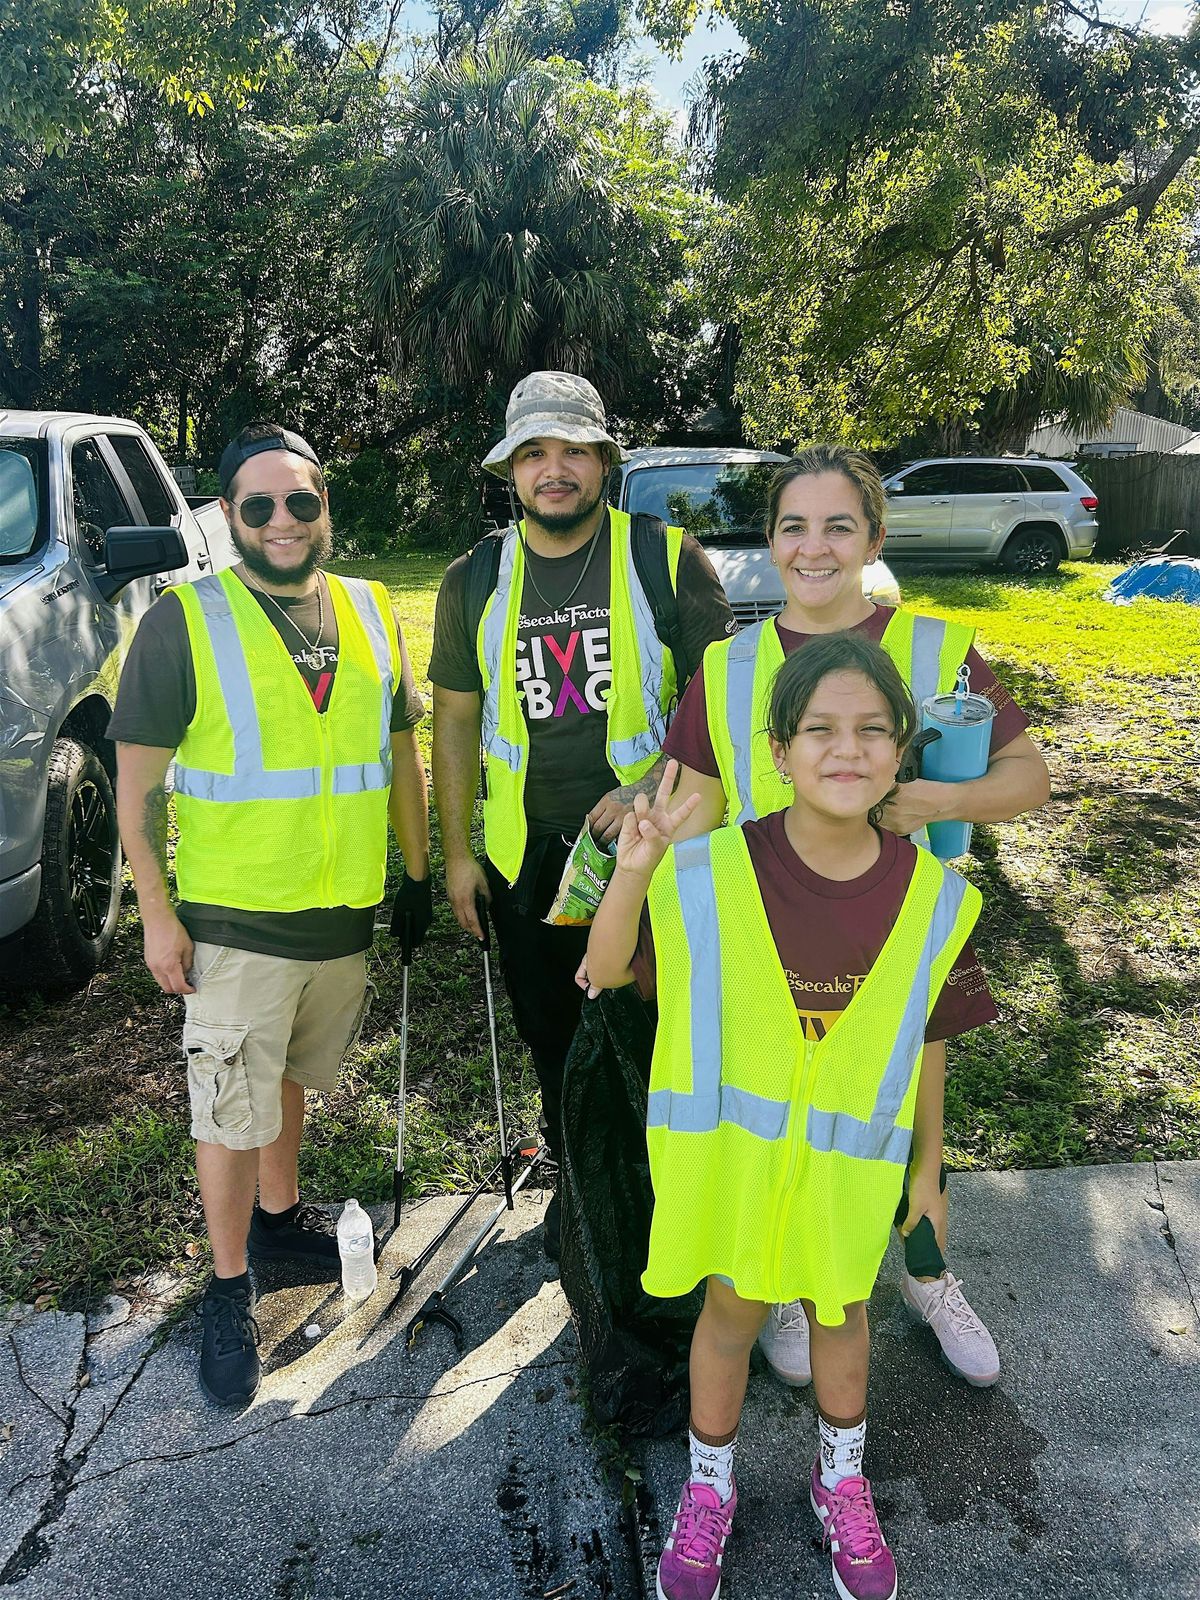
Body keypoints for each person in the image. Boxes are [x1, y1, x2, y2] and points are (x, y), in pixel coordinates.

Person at [587, 635, 996, 1600]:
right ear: (778, 750)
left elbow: (929, 1044)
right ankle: (709, 1488)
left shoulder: (937, 901)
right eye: (820, 729)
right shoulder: (708, 869)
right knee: (728, 1316)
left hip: (849, 1183)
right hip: (732, 1173)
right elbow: (606, 973)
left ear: (904, 751)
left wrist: (927, 1175)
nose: (845, 749)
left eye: (871, 730)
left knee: (841, 1316)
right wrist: (636, 871)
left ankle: (841, 1483)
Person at [661, 444, 1049, 1390]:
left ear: (873, 538)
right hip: (770, 954)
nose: (815, 546)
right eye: (794, 526)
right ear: (771, 541)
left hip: (901, 934)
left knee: (911, 1119)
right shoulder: (731, 666)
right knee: (791, 1122)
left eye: (840, 525)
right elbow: (692, 814)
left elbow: (1029, 777)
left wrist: (935, 804)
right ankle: (790, 1286)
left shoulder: (931, 651)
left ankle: (926, 1270)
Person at [111, 421, 431, 1408]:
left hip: (341, 921)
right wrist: (157, 915)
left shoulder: (373, 611)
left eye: (303, 500)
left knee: (290, 1076)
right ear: (227, 517)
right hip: (234, 928)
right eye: (260, 505)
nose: (284, 520)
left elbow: (402, 752)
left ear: (326, 505)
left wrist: (415, 873)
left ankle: (282, 1217)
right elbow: (136, 791)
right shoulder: (185, 620)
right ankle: (228, 1282)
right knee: (226, 1107)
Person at [428, 371, 734, 1255]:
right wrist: (458, 854)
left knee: (655, 1030)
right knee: (552, 1033)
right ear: (510, 471)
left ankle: (665, 1201)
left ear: (605, 462)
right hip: (527, 860)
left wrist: (652, 788)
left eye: (572, 451)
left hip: (652, 850)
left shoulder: (664, 558)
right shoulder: (474, 577)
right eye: (535, 453)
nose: (554, 469)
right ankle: (582, 1190)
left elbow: (722, 695)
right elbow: (453, 717)